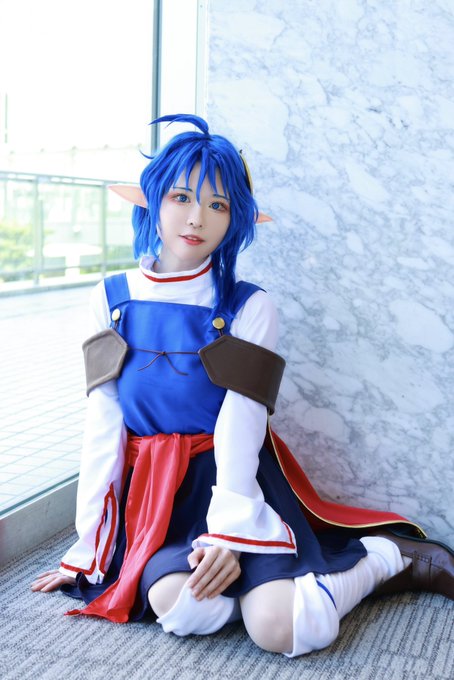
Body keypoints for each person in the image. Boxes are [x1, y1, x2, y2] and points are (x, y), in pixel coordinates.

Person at [32, 114, 454, 657]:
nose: (196, 218)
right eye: (181, 197)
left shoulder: (249, 306)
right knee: (182, 608)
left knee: (285, 630)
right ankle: (261, 592)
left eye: (218, 204)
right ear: (152, 200)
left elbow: (241, 422)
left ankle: (387, 559)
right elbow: (104, 423)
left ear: (234, 220)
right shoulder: (109, 298)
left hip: (234, 480)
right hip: (156, 497)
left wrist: (229, 533)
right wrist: (88, 546)